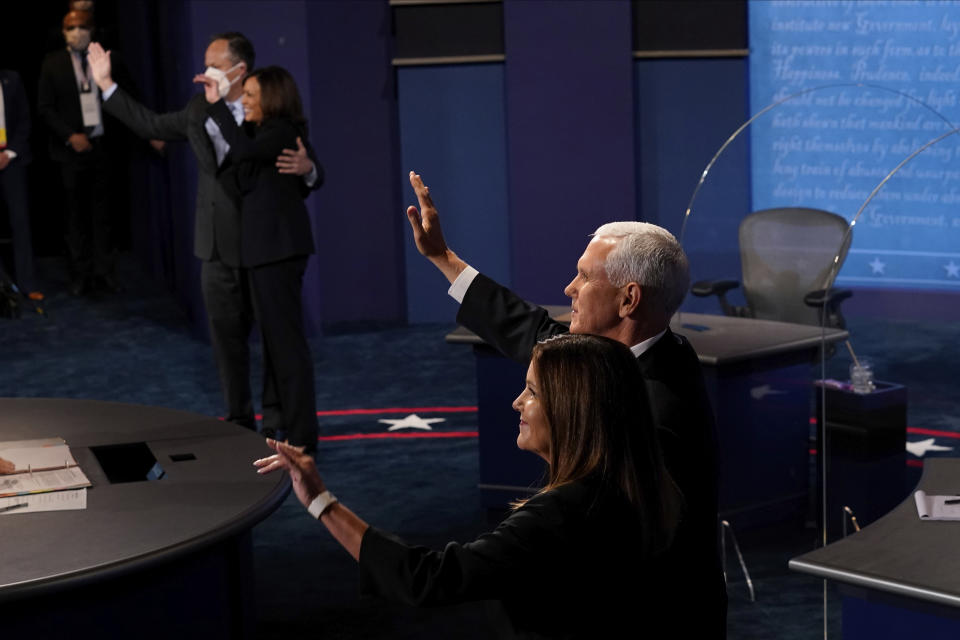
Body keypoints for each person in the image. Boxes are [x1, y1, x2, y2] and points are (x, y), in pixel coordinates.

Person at [404, 171, 726, 636]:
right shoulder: (636, 353)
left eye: (583, 277)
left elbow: (617, 537)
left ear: (628, 299)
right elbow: (528, 329)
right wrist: (443, 258)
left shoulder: (660, 411)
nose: (568, 290)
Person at [255, 333, 684, 638]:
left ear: (573, 411)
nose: (518, 401)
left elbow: (427, 579)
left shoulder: (559, 516)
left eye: (532, 391)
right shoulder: (649, 486)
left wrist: (320, 502)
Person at [87, 34, 322, 450]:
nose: (205, 69)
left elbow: (301, 160)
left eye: (213, 62)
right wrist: (107, 85)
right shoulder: (199, 110)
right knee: (226, 340)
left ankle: (275, 421)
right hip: (214, 247)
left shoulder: (265, 113)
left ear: (238, 70)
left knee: (274, 338)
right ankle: (238, 421)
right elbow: (149, 124)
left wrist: (309, 170)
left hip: (261, 247)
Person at [193, 65, 320, 450]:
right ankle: (286, 426)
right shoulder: (261, 133)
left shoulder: (281, 130)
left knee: (287, 346)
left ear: (272, 98)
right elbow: (240, 168)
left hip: (279, 252)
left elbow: (249, 153)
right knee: (276, 344)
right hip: (263, 254)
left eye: (251, 95)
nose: (245, 101)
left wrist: (216, 104)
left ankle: (302, 438)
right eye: (243, 94)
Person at [38, 9, 119, 296]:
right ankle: (79, 275)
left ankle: (104, 273)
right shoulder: (52, 62)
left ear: (93, 29)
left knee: (103, 215)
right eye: (70, 27)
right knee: (74, 218)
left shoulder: (105, 59)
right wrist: (70, 136)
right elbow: (45, 107)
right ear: (62, 32)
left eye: (82, 26)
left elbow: (120, 96)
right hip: (69, 151)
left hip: (101, 149)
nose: (77, 32)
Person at [0, 69, 41, 304]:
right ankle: (2, 285)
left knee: (20, 221)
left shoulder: (12, 79)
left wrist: (10, 153)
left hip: (12, 160)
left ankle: (28, 284)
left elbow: (25, 119)